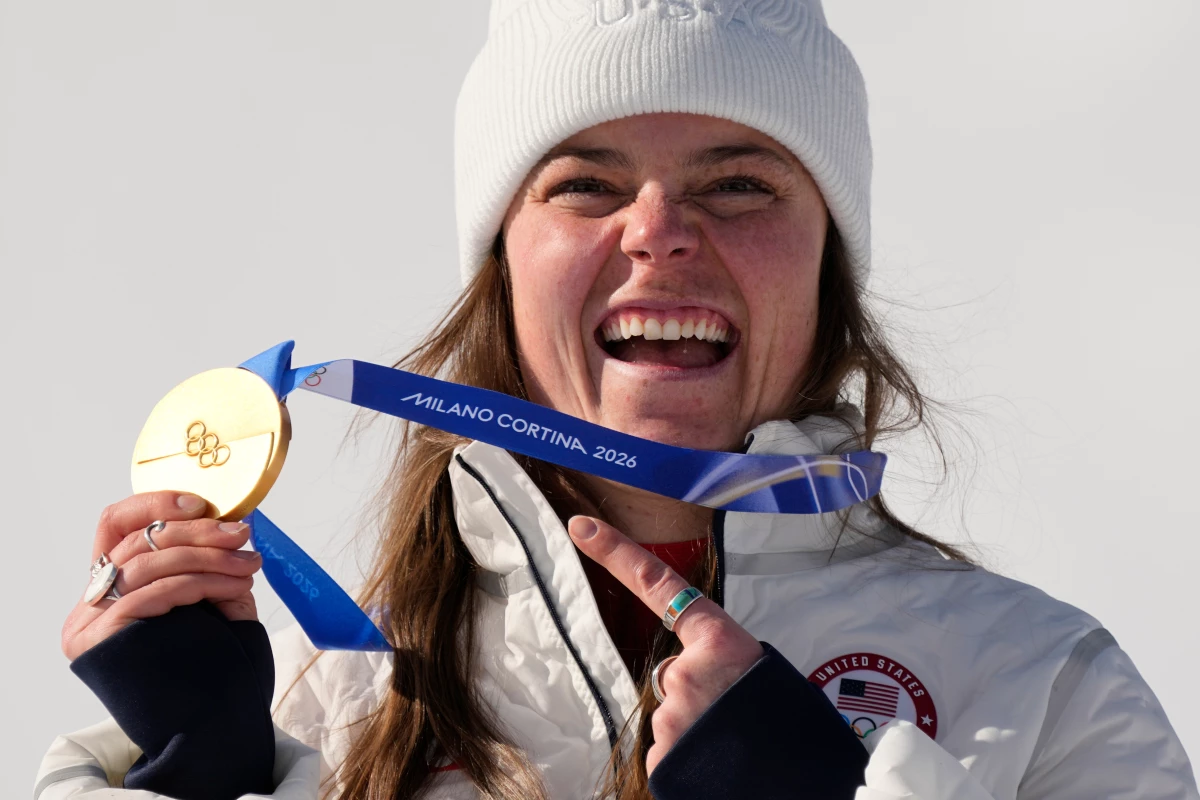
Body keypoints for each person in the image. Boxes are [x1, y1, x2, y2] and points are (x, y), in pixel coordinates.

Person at [35, 1, 1197, 799]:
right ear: (503, 265)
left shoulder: (1041, 683)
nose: (659, 231)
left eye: (738, 182)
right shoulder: (326, 693)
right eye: (586, 184)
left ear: (828, 263)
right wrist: (199, 768)